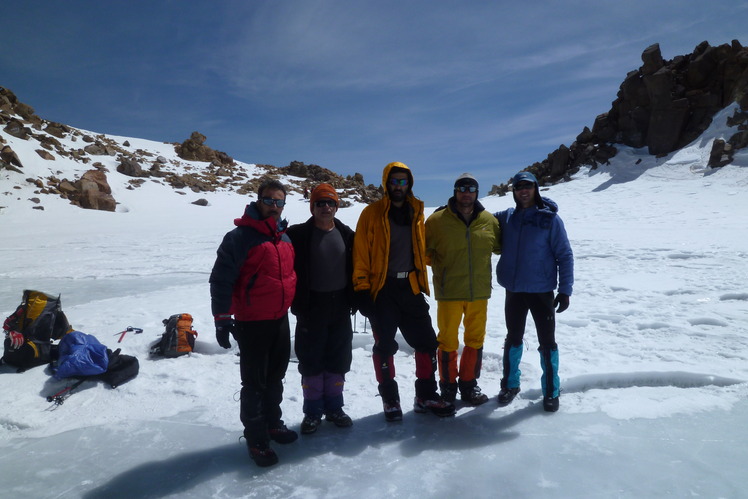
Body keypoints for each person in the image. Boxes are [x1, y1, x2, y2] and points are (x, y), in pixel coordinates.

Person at [353, 161, 455, 421]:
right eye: (394, 181)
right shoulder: (372, 213)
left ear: (409, 184)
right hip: (383, 288)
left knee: (427, 343)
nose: (399, 186)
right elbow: (361, 253)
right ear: (387, 182)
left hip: (410, 286)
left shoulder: (417, 212)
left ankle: (426, 395)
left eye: (403, 181)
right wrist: (362, 289)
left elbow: (424, 250)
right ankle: (390, 400)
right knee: (384, 345)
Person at [209, 178, 298, 467]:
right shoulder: (240, 237)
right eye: (269, 200)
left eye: (279, 201)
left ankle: (273, 423)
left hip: (279, 319)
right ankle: (256, 438)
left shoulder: (284, 238)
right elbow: (222, 279)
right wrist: (222, 320)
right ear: (258, 201)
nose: (274, 206)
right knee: (255, 383)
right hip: (252, 321)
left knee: (276, 376)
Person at [493, 171, 574, 412]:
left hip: (541, 291)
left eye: (528, 186)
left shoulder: (550, 219)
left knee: (547, 342)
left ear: (536, 188)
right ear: (514, 191)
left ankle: (551, 390)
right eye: (519, 187)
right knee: (513, 338)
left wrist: (565, 289)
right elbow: (480, 219)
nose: (523, 191)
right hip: (515, 290)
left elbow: (564, 255)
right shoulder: (506, 217)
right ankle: (510, 385)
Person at [425, 173, 501, 406]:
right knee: (447, 340)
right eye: (461, 188)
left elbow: (498, 248)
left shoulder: (489, 220)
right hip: (449, 291)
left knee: (475, 338)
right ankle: (448, 387)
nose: (466, 192)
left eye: (471, 188)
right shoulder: (437, 221)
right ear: (455, 191)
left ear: (476, 192)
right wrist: (442, 267)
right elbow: (423, 251)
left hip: (478, 292)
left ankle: (469, 385)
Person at [286, 184, 356, 435]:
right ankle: (313, 412)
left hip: (340, 305)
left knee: (338, 359)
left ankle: (335, 408)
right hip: (310, 305)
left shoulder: (347, 234)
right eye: (320, 203)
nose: (325, 208)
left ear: (337, 206)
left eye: (330, 203)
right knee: (311, 361)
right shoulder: (297, 235)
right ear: (312, 206)